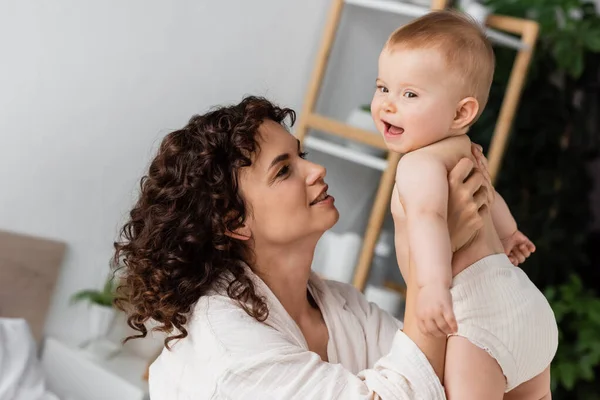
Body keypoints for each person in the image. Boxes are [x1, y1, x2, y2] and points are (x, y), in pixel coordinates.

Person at [112, 95, 492, 399]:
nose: (316, 171)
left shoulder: (337, 305)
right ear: (233, 221)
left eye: (301, 156)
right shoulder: (230, 347)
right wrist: (435, 248)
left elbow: (445, 374)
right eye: (284, 170)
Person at [370, 11, 558, 399]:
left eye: (409, 94)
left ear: (462, 112)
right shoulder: (466, 152)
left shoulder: (416, 164)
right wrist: (510, 232)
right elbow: (489, 195)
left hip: (476, 318)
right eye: (382, 87)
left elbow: (430, 218)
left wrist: (435, 285)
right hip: (526, 305)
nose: (388, 105)